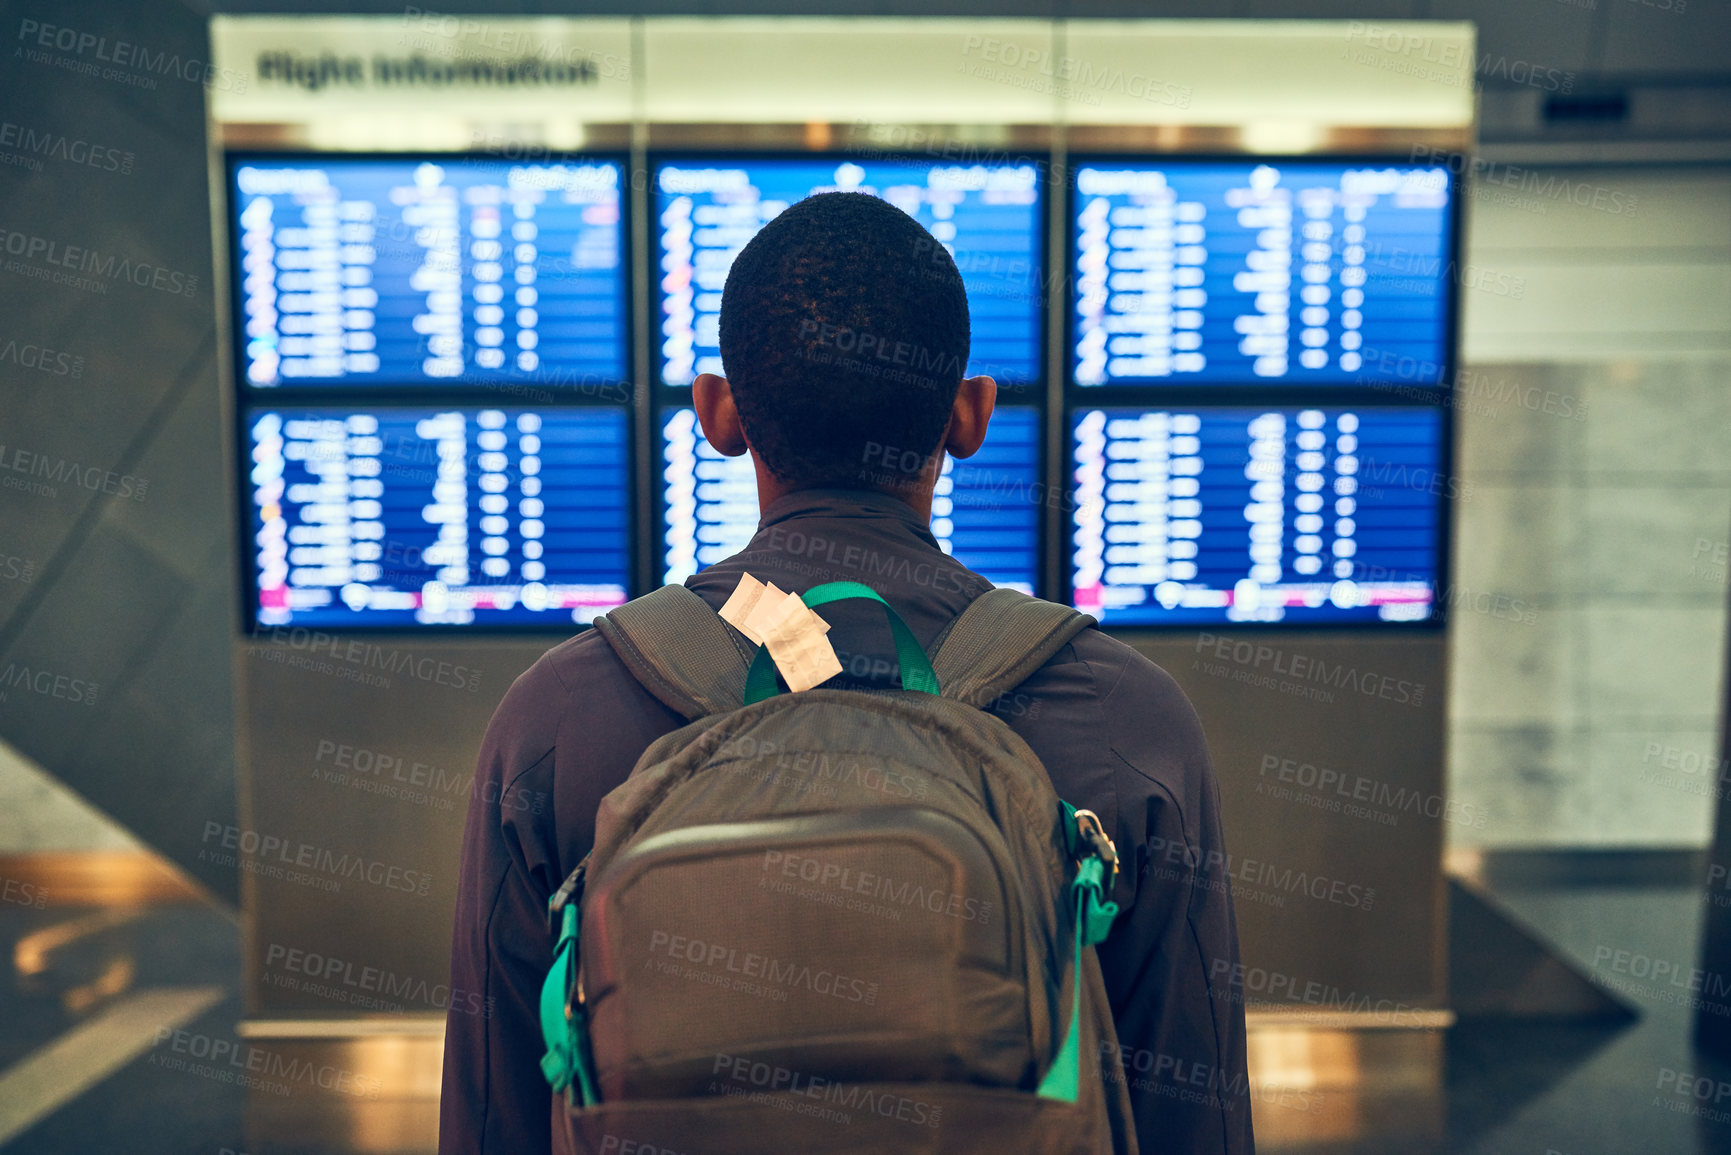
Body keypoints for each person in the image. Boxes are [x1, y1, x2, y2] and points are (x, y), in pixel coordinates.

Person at [440, 190, 1254, 1154]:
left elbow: (494, 1118)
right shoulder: (1128, 719)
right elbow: (1188, 1115)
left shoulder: (556, 722)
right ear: (969, 415)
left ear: (719, 414)